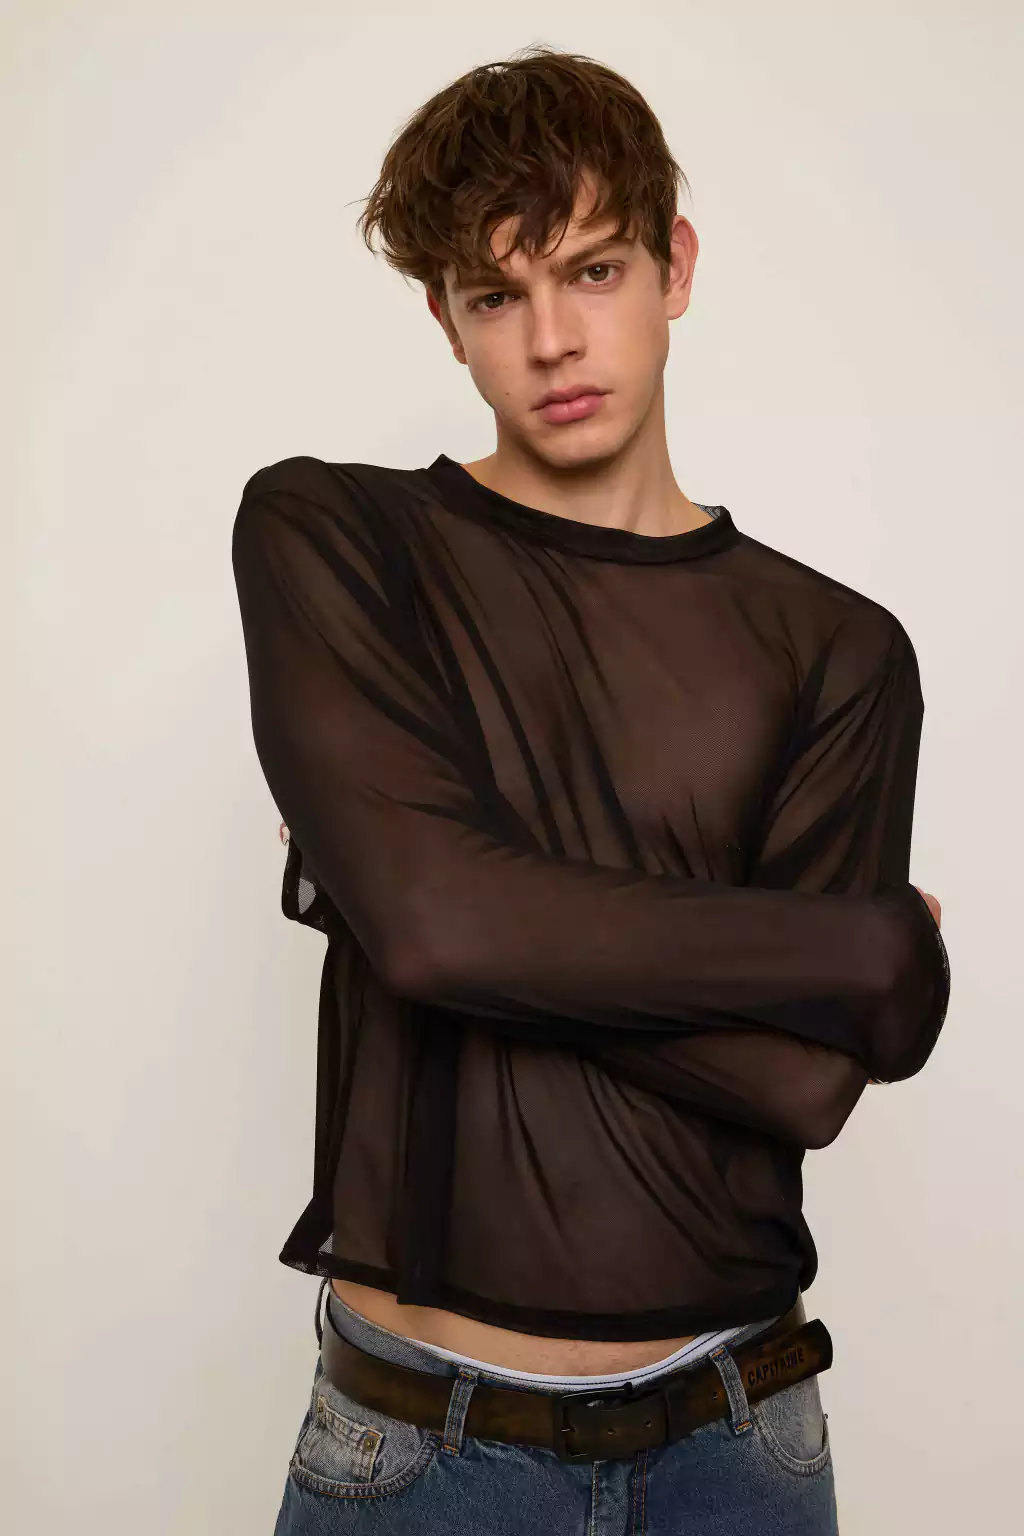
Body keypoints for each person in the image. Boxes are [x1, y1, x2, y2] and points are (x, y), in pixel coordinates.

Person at [232, 44, 950, 1536]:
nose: (554, 339)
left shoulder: (840, 649)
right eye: (497, 297)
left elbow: (804, 1085)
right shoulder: (337, 535)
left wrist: (416, 899)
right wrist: (864, 949)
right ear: (446, 321)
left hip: (741, 1443)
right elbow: (440, 929)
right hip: (426, 1450)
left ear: (675, 266)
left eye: (595, 270)